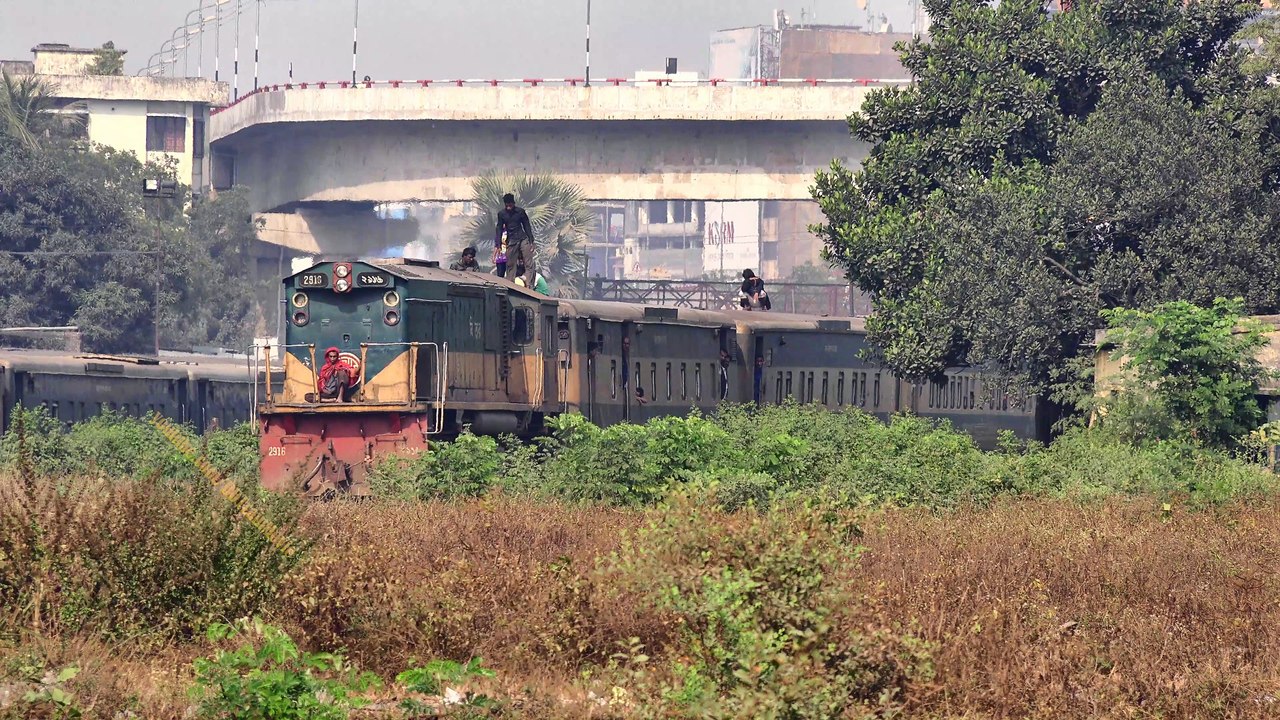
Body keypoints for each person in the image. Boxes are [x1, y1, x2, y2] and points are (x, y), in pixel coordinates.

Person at [495, 193, 536, 286]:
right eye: (507, 204)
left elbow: (526, 226)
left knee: (528, 262)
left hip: (523, 238)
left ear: (513, 203)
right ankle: (510, 284)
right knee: (510, 264)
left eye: (510, 204)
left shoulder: (520, 212)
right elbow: (499, 229)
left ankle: (528, 284)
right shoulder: (502, 214)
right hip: (512, 241)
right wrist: (498, 245)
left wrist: (531, 240)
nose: (508, 206)